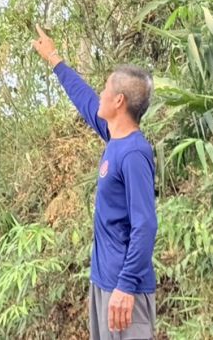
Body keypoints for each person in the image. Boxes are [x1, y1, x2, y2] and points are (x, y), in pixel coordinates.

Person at [32, 25, 158, 340]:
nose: (99, 94)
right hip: (105, 282)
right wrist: (54, 59)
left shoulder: (134, 154)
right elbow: (86, 100)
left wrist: (126, 286)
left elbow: (145, 225)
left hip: (125, 291)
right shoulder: (115, 138)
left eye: (105, 90)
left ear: (118, 101)